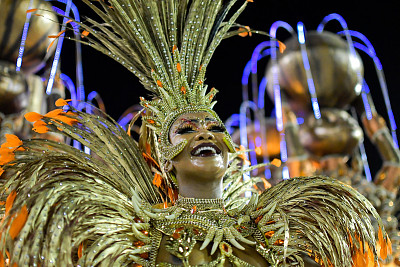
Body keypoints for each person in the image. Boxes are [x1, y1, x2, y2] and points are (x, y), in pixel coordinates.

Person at [0, 0, 392, 266]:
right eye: (185, 129)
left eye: (214, 126)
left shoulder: (278, 232)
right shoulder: (141, 240)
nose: (205, 134)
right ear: (165, 159)